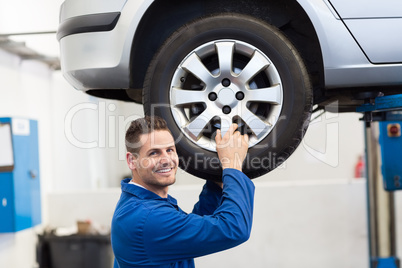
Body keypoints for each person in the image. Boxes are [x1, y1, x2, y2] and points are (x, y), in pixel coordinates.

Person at [111, 116, 255, 268]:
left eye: (170, 150)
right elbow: (234, 228)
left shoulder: (139, 205)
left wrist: (217, 179)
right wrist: (232, 165)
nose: (166, 159)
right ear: (131, 161)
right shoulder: (148, 217)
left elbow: (193, 228)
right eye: (154, 153)